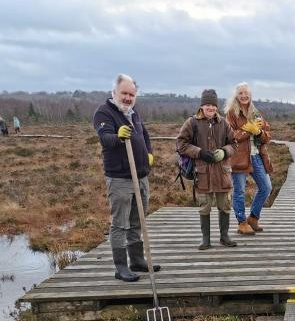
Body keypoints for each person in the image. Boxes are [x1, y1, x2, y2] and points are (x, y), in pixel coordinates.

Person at [93, 73, 160, 282]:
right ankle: (121, 267)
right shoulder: (104, 113)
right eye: (124, 93)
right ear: (115, 92)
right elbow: (105, 139)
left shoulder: (133, 113)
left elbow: (145, 135)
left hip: (140, 176)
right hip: (121, 178)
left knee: (136, 220)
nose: (128, 98)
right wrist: (118, 136)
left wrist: (149, 153)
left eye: (131, 94)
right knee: (120, 224)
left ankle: (137, 260)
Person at [176, 89, 238, 250]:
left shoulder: (224, 123)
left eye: (213, 105)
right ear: (202, 106)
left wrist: (224, 151)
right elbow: (181, 144)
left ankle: (224, 237)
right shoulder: (191, 123)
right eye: (207, 104)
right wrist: (200, 153)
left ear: (216, 106)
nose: (210, 108)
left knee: (225, 205)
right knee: (204, 207)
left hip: (222, 173)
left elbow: (234, 144)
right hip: (202, 173)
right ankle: (206, 239)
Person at [224, 82, 273, 235]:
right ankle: (241, 222)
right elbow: (229, 137)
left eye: (246, 93)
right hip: (239, 157)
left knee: (266, 188)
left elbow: (266, 138)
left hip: (256, 156)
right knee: (239, 191)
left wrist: (258, 132)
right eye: (240, 93)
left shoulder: (256, 113)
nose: (244, 96)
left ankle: (253, 218)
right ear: (236, 96)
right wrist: (247, 130)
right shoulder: (231, 113)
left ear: (250, 95)